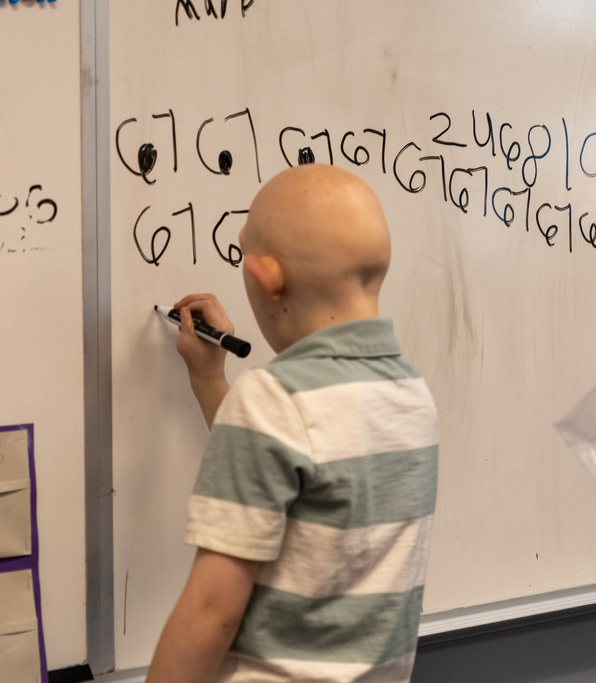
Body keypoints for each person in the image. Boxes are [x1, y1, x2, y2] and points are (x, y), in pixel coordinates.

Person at [147, 164, 439, 682]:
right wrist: (209, 378)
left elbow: (211, 613)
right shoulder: (411, 394)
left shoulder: (270, 401)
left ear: (266, 276)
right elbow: (295, 461)